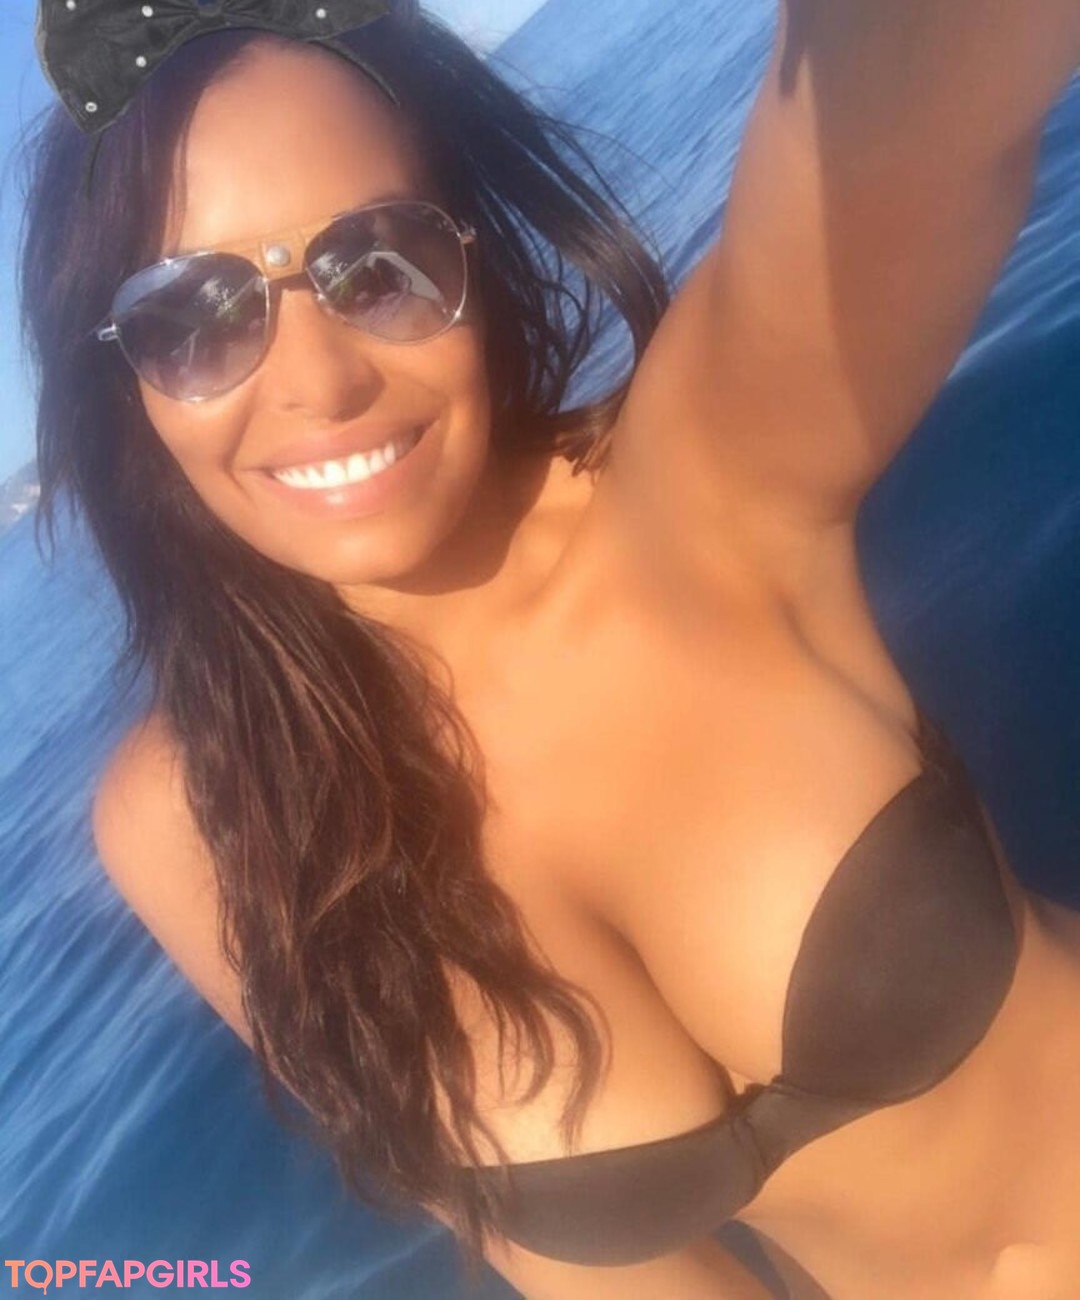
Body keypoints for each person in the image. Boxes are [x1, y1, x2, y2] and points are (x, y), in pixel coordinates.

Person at [19, 1, 1080, 1296]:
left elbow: (930, 82)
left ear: (475, 260)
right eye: (197, 316)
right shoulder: (198, 816)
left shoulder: (705, 483)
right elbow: (559, 1259)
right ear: (120, 375)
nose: (319, 384)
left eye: (380, 262)